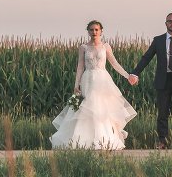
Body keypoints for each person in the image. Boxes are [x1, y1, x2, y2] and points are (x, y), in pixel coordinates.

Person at [50, 20, 137, 149]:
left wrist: (127, 75)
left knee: (102, 108)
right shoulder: (83, 47)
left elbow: (114, 63)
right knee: (86, 107)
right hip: (88, 79)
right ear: (88, 31)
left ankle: (104, 140)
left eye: (96, 29)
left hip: (103, 80)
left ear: (101, 31)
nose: (94, 32)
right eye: (91, 30)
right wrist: (76, 84)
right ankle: (82, 140)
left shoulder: (105, 46)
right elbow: (80, 67)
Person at [129, 12, 172, 149]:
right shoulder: (158, 40)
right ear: (165, 23)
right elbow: (146, 57)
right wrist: (135, 73)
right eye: (170, 21)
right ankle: (162, 141)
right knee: (162, 114)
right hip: (163, 80)